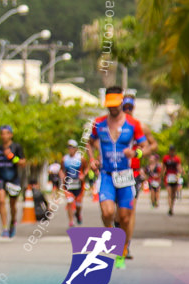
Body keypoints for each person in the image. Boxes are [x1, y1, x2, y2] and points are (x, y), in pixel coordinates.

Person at [87, 86, 149, 269]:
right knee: (107, 213)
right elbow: (88, 143)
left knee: (125, 218)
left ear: (121, 102)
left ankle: (122, 250)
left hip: (125, 176)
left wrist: (135, 153)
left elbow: (145, 146)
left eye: (115, 105)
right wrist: (92, 159)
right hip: (106, 175)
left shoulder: (133, 124)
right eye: (109, 105)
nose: (112, 109)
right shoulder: (98, 123)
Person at [119, 93, 157, 260]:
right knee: (116, 212)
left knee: (130, 210)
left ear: (133, 108)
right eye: (124, 107)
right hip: (114, 172)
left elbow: (153, 144)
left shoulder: (140, 126)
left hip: (133, 174)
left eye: (130, 107)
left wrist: (139, 153)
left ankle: (126, 246)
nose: (127, 110)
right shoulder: (112, 125)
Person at [0, 124, 24, 239]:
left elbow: (23, 162)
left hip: (13, 178)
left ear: (11, 135)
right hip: (1, 178)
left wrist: (11, 156)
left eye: (6, 133)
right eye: (2, 133)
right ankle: (4, 227)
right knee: (1, 201)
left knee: (12, 205)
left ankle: (13, 221)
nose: (4, 136)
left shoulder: (16, 147)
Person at [62, 139, 86, 227]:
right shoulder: (65, 159)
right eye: (69, 147)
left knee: (78, 203)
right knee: (69, 201)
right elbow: (62, 170)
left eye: (72, 147)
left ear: (76, 149)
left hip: (79, 184)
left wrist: (83, 175)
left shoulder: (80, 158)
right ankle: (71, 221)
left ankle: (78, 214)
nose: (70, 149)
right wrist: (62, 176)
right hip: (68, 183)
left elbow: (86, 168)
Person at [161, 146, 182, 216]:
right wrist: (162, 175)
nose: (172, 152)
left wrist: (180, 173)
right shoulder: (166, 158)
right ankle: (170, 208)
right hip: (168, 177)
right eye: (171, 150)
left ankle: (172, 207)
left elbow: (179, 167)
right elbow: (163, 167)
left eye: (173, 150)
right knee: (169, 193)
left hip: (175, 178)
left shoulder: (177, 159)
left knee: (173, 194)